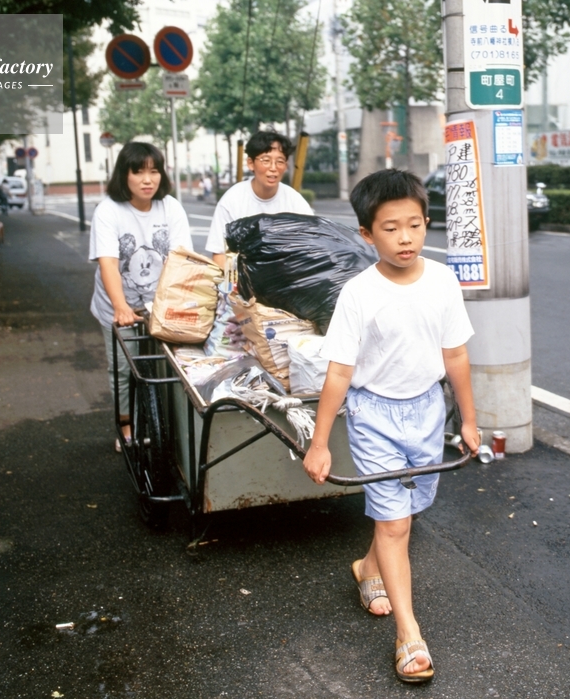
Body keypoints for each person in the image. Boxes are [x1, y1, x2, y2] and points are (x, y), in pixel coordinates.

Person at [303, 169, 480, 684]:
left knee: (406, 511)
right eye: (390, 228)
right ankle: (409, 635)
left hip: (427, 410)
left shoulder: (442, 281)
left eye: (415, 225)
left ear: (426, 223)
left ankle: (368, 568)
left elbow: (456, 355)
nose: (405, 238)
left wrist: (470, 420)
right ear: (366, 234)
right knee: (395, 523)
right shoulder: (359, 293)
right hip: (373, 414)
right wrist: (319, 443)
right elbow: (339, 371)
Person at [88, 142, 193, 451]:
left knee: (172, 366)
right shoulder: (108, 211)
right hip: (118, 304)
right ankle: (126, 425)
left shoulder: (170, 207)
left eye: (154, 171)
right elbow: (108, 263)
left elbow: (181, 258)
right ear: (125, 175)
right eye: (138, 172)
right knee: (123, 368)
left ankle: (169, 426)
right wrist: (120, 307)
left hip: (159, 303)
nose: (148, 180)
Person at [204, 130, 313, 270]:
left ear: (285, 166)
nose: (273, 168)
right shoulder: (232, 201)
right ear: (251, 163)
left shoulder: (296, 202)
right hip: (241, 280)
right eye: (266, 161)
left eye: (280, 161)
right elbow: (220, 254)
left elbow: (312, 247)